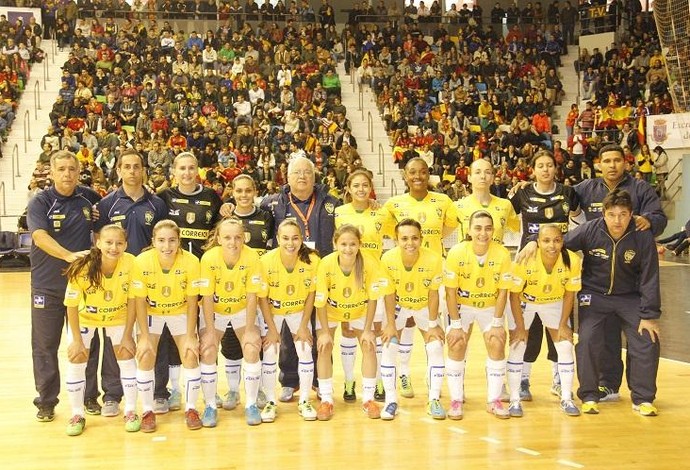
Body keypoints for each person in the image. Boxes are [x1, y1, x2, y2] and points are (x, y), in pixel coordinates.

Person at [566, 190, 660, 415]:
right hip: (594, 295)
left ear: (631, 215)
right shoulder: (590, 229)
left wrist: (649, 315)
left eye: (623, 214)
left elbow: (650, 276)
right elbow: (560, 243)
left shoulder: (642, 235)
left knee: (648, 338)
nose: (617, 220)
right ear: (603, 214)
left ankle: (643, 398)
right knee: (587, 339)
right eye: (612, 214)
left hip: (630, 297)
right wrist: (532, 242)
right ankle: (589, 395)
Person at [90, 149, 168, 417]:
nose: (132, 171)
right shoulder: (106, 204)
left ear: (143, 169)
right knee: (116, 337)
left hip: (150, 280)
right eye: (127, 166)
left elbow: (164, 239)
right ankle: (112, 394)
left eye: (137, 166)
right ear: (119, 170)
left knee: (153, 335)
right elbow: (99, 242)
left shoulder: (157, 204)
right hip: (117, 283)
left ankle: (158, 392)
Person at [261, 156, 341, 403]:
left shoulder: (332, 203)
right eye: (297, 173)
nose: (303, 176)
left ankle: (319, 379)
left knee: (320, 328)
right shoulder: (271, 203)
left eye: (307, 172)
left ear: (315, 176)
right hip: (289, 277)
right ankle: (290, 380)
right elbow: (251, 218)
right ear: (287, 177)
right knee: (288, 332)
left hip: (323, 273)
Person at [28, 150, 101, 422]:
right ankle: (46, 401)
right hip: (47, 286)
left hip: (83, 288)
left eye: (72, 169)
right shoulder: (40, 202)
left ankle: (89, 396)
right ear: (51, 171)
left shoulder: (90, 198)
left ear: (78, 170)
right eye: (61, 169)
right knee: (45, 345)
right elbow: (38, 236)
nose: (67, 174)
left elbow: (106, 228)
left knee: (86, 344)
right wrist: (69, 256)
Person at [383, 157, 458, 399]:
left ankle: (431, 376)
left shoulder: (444, 201)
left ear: (429, 174)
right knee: (405, 326)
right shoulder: (394, 204)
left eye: (423, 172)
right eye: (412, 172)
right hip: (404, 275)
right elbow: (386, 229)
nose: (418, 176)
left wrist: (431, 248)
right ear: (405, 176)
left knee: (433, 329)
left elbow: (449, 228)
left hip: (432, 275)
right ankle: (404, 374)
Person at [508, 150, 580, 400]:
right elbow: (505, 216)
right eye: (540, 166)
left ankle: (558, 379)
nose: (546, 169)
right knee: (530, 327)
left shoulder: (568, 193)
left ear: (555, 169)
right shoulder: (524, 193)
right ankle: (524, 379)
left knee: (558, 323)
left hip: (559, 263)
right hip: (529, 264)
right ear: (533, 170)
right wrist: (528, 240)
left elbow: (581, 218)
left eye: (550, 165)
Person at [155, 152, 223, 413]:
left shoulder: (211, 198)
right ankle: (174, 388)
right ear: (174, 170)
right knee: (175, 333)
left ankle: (209, 388)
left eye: (191, 168)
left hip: (204, 276)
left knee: (206, 331)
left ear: (198, 171)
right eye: (182, 168)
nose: (186, 172)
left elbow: (221, 225)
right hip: (173, 278)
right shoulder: (164, 198)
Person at [63, 225, 140, 435]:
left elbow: (133, 301)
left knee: (126, 356)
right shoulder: (83, 266)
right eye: (108, 242)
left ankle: (131, 410)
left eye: (119, 243)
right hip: (86, 318)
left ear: (126, 244)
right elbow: (70, 305)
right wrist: (76, 339)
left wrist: (127, 335)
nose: (114, 247)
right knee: (77, 358)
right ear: (98, 242)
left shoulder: (131, 263)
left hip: (118, 317)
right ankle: (77, 413)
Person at [131, 220, 202, 432]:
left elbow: (192, 303)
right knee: (145, 354)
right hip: (152, 313)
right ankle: (147, 411)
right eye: (161, 240)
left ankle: (191, 408)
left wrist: (190, 335)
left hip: (179, 311)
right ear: (153, 241)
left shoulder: (190, 261)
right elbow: (139, 302)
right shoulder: (141, 261)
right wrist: (144, 336)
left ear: (179, 241)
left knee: (190, 353)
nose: (167, 246)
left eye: (172, 240)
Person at [506, 224, 582, 418]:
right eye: (546, 241)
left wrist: (564, 324)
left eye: (557, 240)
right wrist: (521, 328)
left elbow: (569, 295)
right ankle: (514, 399)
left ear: (562, 242)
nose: (552, 245)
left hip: (553, 302)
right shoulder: (525, 260)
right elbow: (513, 296)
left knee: (565, 345)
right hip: (525, 302)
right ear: (538, 242)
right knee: (518, 344)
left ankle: (566, 397)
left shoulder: (572, 260)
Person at [444, 210, 513, 419]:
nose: (483, 233)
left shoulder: (502, 253)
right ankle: (456, 400)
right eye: (478, 228)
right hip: (463, 305)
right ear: (469, 230)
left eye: (488, 228)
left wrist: (497, 322)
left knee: (497, 341)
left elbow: (503, 292)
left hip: (490, 306)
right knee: (456, 343)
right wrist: (456, 325)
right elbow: (450, 292)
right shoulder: (456, 252)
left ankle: (494, 400)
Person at [334, 169, 394, 403]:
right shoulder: (339, 213)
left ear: (371, 188)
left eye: (365, 185)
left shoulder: (381, 214)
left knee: (375, 333)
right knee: (348, 332)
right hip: (347, 279)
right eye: (356, 185)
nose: (361, 189)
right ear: (348, 188)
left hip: (374, 280)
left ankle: (377, 380)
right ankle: (349, 381)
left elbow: (399, 235)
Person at [198, 218, 263, 426]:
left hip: (242, 309)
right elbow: (207, 297)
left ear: (244, 238)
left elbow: (253, 295)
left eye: (237, 237)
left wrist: (252, 328)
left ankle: (251, 404)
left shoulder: (252, 257)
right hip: (215, 311)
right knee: (208, 349)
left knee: (252, 347)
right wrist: (209, 330)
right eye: (227, 237)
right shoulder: (208, 259)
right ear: (218, 238)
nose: (233, 242)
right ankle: (209, 405)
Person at [314, 224, 382, 420]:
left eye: (353, 244)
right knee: (324, 347)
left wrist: (368, 329)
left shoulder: (369, 263)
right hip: (331, 311)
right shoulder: (326, 264)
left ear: (359, 244)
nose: (348, 248)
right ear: (335, 244)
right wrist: (325, 332)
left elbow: (372, 298)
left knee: (369, 345)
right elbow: (320, 301)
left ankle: (369, 399)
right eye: (343, 244)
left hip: (359, 309)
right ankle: (326, 400)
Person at [379, 219, 445, 420]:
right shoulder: (388, 259)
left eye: (414, 238)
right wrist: (390, 325)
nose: (410, 243)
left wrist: (433, 325)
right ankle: (391, 400)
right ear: (396, 239)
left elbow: (434, 294)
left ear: (421, 239)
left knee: (435, 346)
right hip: (398, 305)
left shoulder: (434, 260)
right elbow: (389, 295)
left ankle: (434, 399)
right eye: (404, 238)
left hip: (424, 305)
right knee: (389, 345)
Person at [219, 174, 275, 411]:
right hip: (232, 291)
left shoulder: (266, 216)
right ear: (232, 192)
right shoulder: (226, 218)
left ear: (255, 192)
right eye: (238, 191)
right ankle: (233, 390)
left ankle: (259, 388)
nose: (243, 195)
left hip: (259, 289)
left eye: (247, 190)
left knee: (257, 340)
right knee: (231, 343)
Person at [258, 219, 321, 421]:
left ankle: (304, 400)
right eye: (285, 238)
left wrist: (303, 326)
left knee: (304, 349)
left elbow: (311, 294)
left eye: (295, 238)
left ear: (302, 239)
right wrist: (272, 330)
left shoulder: (312, 260)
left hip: (298, 310)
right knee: (270, 351)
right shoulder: (266, 261)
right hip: (272, 311)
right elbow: (262, 298)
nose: (290, 243)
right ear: (277, 238)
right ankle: (270, 401)